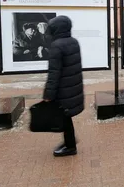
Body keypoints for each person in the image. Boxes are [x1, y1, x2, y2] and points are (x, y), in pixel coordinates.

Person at [43, 15, 84, 157]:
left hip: (63, 90)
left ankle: (70, 146)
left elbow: (54, 74)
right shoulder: (73, 42)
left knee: (64, 116)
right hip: (72, 87)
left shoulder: (56, 46)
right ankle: (69, 141)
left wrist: (48, 95)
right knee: (65, 116)